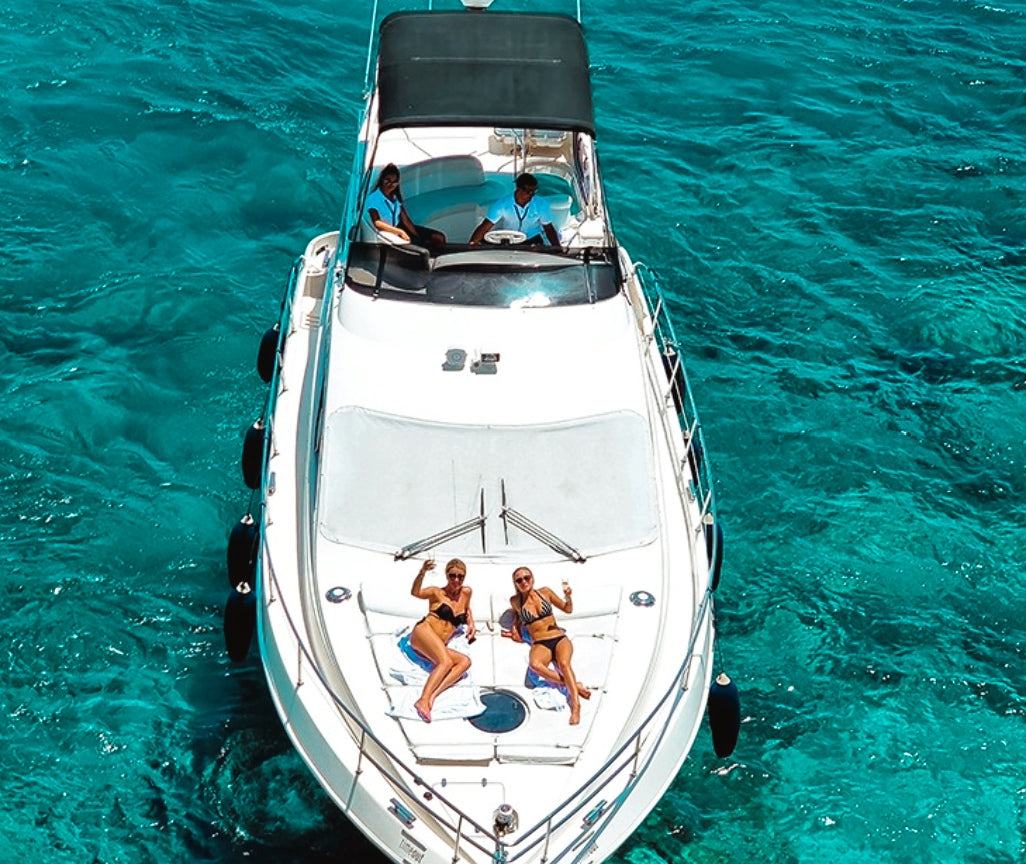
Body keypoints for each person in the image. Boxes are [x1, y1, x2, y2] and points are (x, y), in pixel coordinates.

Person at [506, 566, 590, 725]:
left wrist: (568, 597)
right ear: (515, 584)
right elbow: (518, 616)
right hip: (540, 642)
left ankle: (576, 706)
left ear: (532, 579)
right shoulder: (515, 601)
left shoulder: (545, 592)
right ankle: (573, 685)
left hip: (558, 637)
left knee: (564, 664)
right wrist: (515, 626)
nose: (524, 582)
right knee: (535, 665)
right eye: (519, 580)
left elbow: (568, 609)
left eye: (527, 578)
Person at [409, 558, 476, 722]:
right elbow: (415, 593)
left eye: (460, 576)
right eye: (452, 576)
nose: (456, 580)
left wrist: (471, 623)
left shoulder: (466, 592)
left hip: (437, 644)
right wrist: (422, 572)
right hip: (423, 632)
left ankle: (433, 696)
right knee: (445, 662)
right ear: (446, 575)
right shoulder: (436, 593)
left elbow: (466, 609)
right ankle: (423, 699)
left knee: (465, 662)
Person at [365, 164, 446, 251]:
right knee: (412, 244)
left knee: (438, 237)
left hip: (399, 227)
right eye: (387, 181)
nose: (391, 185)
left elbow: (405, 219)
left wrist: (417, 236)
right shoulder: (373, 198)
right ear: (381, 180)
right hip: (387, 232)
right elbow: (377, 223)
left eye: (394, 182)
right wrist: (399, 232)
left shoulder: (395, 197)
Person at [469, 173, 561, 247]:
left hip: (532, 240)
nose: (531, 195)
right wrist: (471, 246)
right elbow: (485, 226)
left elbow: (548, 228)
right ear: (518, 189)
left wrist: (558, 249)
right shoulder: (502, 204)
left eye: (534, 191)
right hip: (509, 239)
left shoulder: (541, 204)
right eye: (528, 191)